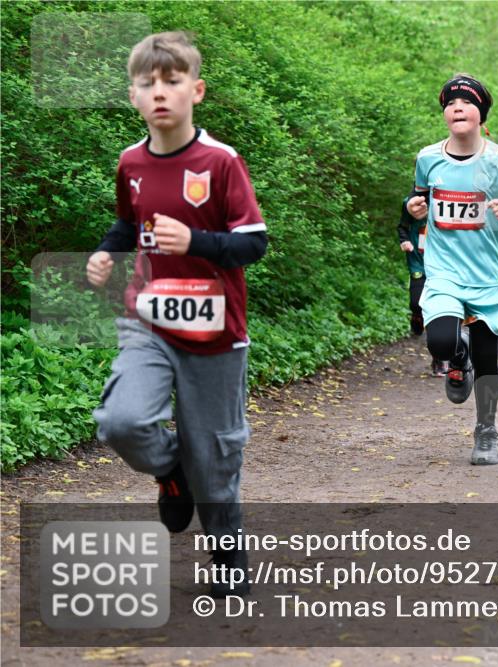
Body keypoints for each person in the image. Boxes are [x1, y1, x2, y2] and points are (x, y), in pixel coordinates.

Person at [86, 32, 266, 598]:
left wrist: (197, 239)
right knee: (123, 422)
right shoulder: (130, 162)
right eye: (147, 84)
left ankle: (225, 545)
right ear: (134, 96)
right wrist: (106, 254)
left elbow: (253, 243)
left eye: (171, 81)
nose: (159, 92)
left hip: (215, 330)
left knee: (215, 454)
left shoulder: (220, 162)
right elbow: (126, 223)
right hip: (149, 322)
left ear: (196, 90)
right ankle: (171, 470)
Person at [405, 74, 498, 465]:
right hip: (442, 269)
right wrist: (413, 207)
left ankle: (486, 431)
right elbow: (418, 197)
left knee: (488, 358)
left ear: (481, 114)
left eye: (466, 102)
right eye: (450, 103)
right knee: (441, 341)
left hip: (485, 273)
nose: (457, 107)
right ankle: (459, 361)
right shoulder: (428, 157)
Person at [397, 197, 448, 376]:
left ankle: (439, 358)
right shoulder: (410, 203)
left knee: (438, 311)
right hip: (418, 262)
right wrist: (405, 241)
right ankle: (416, 315)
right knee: (417, 304)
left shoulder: (450, 200)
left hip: (444, 265)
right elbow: (402, 227)